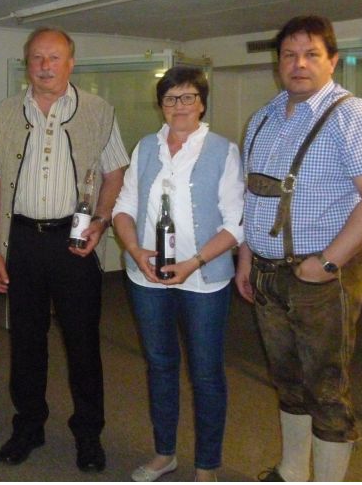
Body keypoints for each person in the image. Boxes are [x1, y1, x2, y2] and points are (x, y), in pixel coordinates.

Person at [235, 15, 362, 482]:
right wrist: (247, 259)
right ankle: (291, 470)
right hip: (266, 272)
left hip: (322, 277)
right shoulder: (262, 118)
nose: (298, 63)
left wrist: (326, 263)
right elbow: (252, 197)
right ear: (278, 62)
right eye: (289, 55)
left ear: (332, 61)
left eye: (311, 54)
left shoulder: (353, 116)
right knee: (286, 379)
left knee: (326, 389)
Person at [0, 26, 127, 472]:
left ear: (70, 63)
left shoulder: (99, 111)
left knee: (83, 343)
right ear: (28, 63)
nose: (45, 66)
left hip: (75, 242)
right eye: (37, 58)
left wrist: (101, 220)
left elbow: (115, 173)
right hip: (22, 241)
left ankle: (88, 433)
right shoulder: (3, 113)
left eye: (54, 58)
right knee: (25, 342)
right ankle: (28, 426)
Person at [111, 67, 243, 482]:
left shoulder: (223, 150)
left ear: (202, 104)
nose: (180, 106)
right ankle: (164, 453)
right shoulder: (146, 147)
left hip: (204, 280)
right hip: (147, 277)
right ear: (161, 106)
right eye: (171, 99)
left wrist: (194, 262)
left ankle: (207, 465)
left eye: (188, 97)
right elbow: (123, 207)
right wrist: (135, 251)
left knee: (206, 373)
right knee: (160, 365)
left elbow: (235, 223)